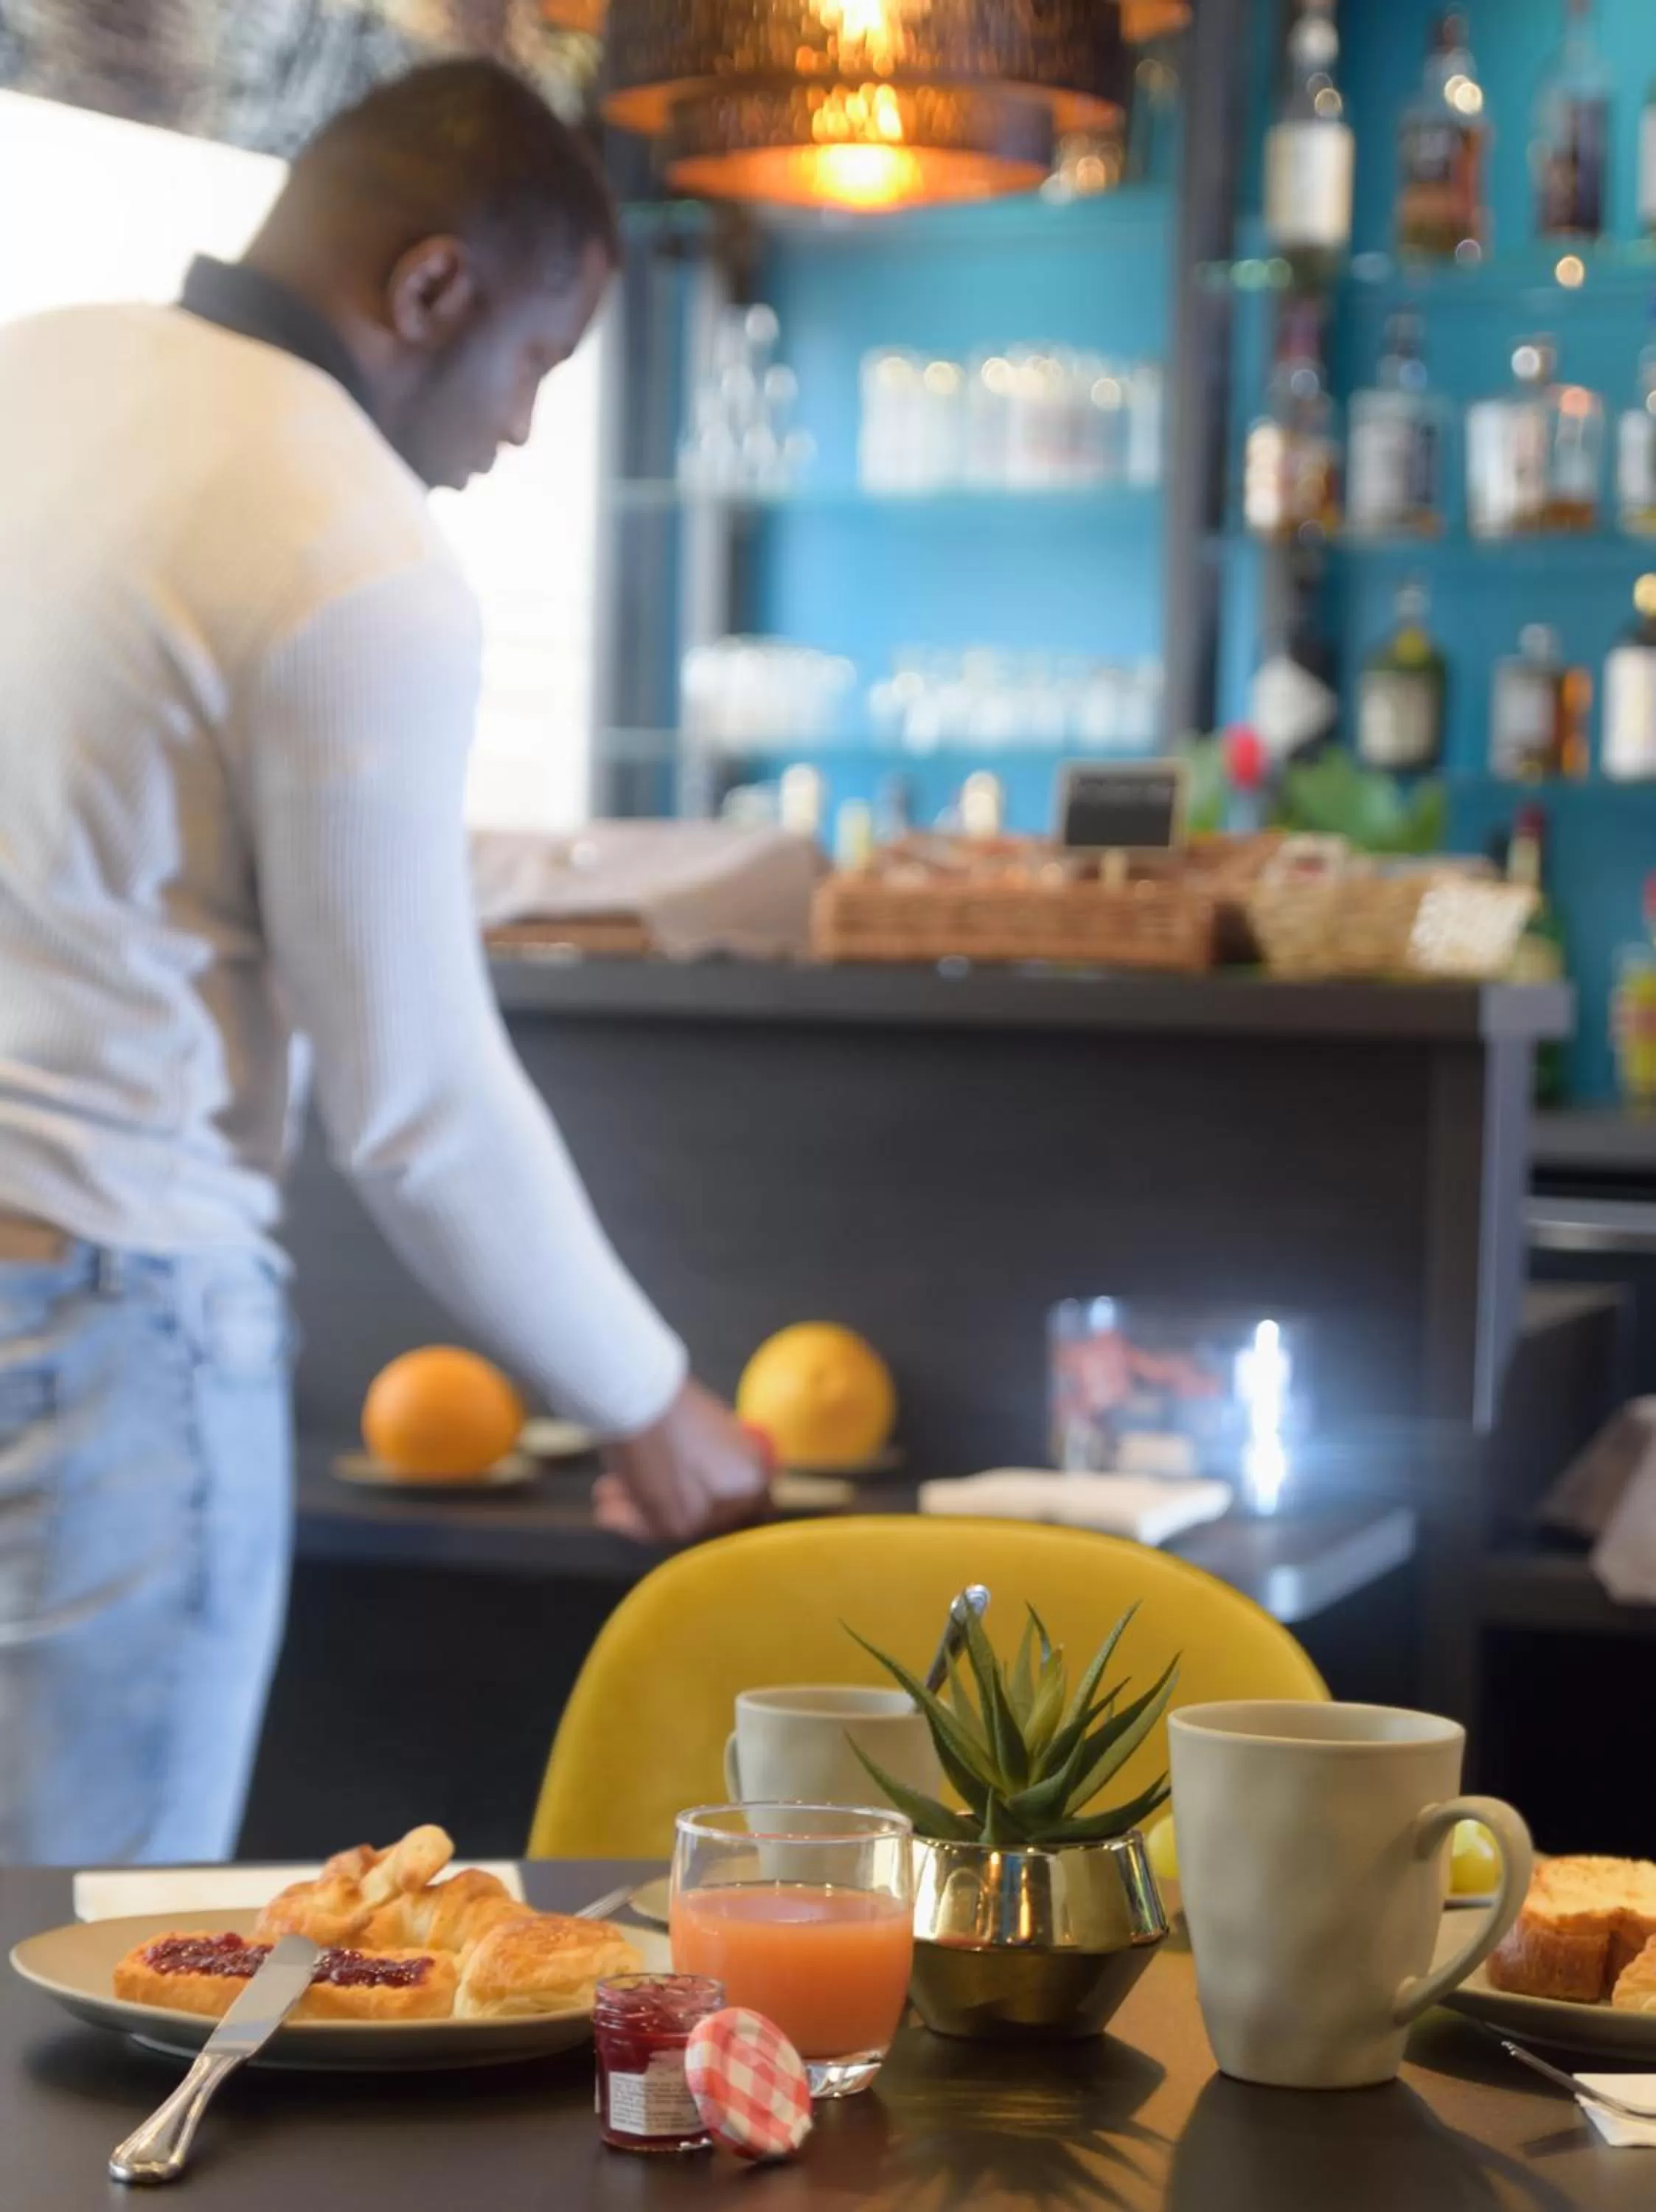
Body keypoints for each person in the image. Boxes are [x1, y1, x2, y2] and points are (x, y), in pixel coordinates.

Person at [0, 60, 769, 1867]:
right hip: (103, 1324)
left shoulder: (31, 374)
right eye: (536, 361)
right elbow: (415, 1102)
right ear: (429, 289)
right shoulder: (352, 548)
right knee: (73, 1971)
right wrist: (649, 1401)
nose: (522, 430)